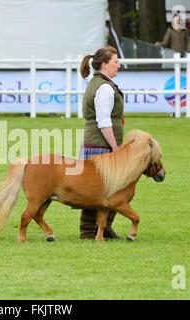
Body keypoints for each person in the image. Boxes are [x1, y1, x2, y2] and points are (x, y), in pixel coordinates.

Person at [78, 46, 124, 240]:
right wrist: (115, 148)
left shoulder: (96, 82)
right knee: (97, 189)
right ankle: (90, 231)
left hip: (94, 143)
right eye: (115, 61)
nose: (118, 65)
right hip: (100, 144)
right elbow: (103, 121)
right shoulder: (104, 87)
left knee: (104, 188)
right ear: (104, 64)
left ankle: (101, 229)